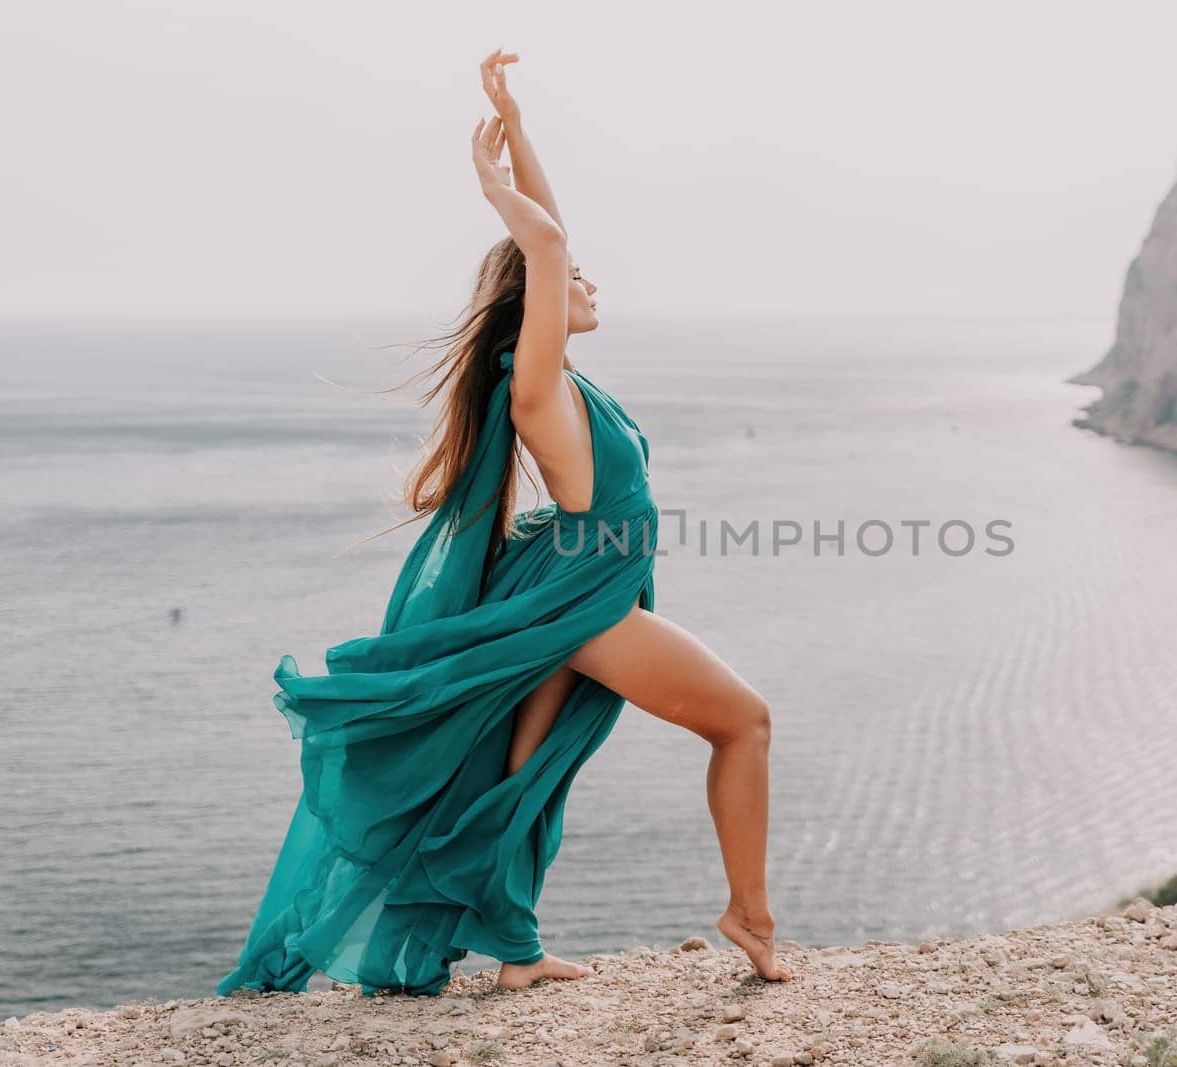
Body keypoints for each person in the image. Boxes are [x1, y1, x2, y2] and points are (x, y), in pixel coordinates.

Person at [218, 49, 791, 998]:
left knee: (517, 776)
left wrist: (520, 130)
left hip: (576, 588)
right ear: (541, 300)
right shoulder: (537, 391)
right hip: (576, 604)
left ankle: (516, 953)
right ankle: (751, 915)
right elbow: (553, 248)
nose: (592, 282)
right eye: (574, 277)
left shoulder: (566, 383)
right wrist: (494, 188)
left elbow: (557, 240)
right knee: (746, 723)